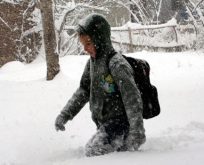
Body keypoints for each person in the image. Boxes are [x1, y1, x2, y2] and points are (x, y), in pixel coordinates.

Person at [55, 13, 146, 157]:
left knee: (93, 151)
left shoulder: (116, 64)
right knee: (94, 150)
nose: (85, 48)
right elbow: (83, 91)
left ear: (100, 40)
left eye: (88, 43)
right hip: (106, 124)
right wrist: (65, 114)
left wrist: (137, 132)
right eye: (83, 44)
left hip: (121, 124)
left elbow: (132, 99)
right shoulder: (92, 63)